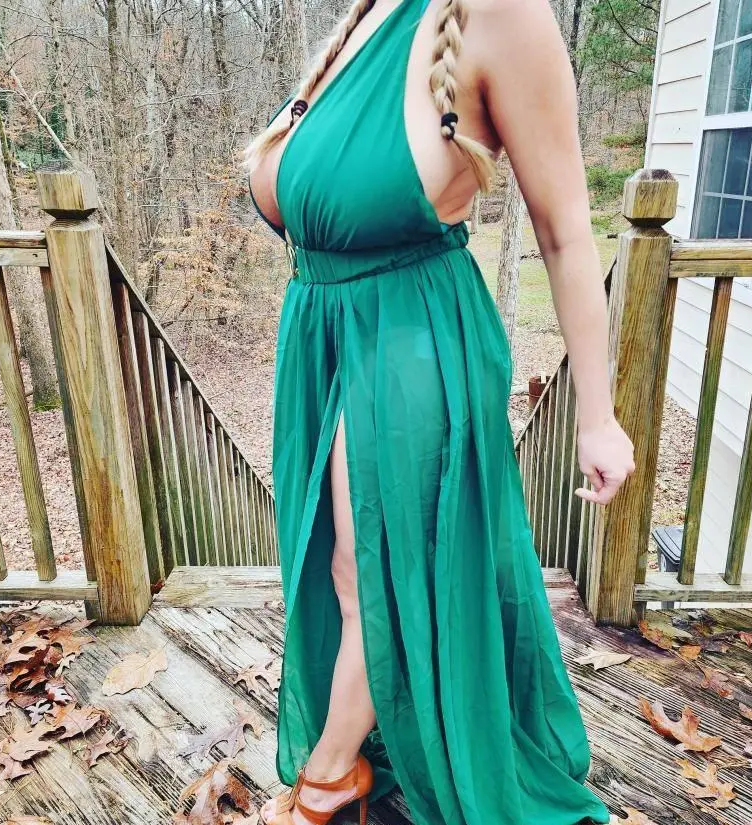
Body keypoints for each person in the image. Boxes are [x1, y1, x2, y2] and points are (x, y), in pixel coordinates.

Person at [241, 0, 635, 823]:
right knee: (341, 567)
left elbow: (566, 232)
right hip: (326, 335)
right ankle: (367, 740)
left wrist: (597, 416)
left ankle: (328, 775)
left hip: (410, 340)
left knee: (372, 573)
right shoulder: (366, 17)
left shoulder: (502, 15)